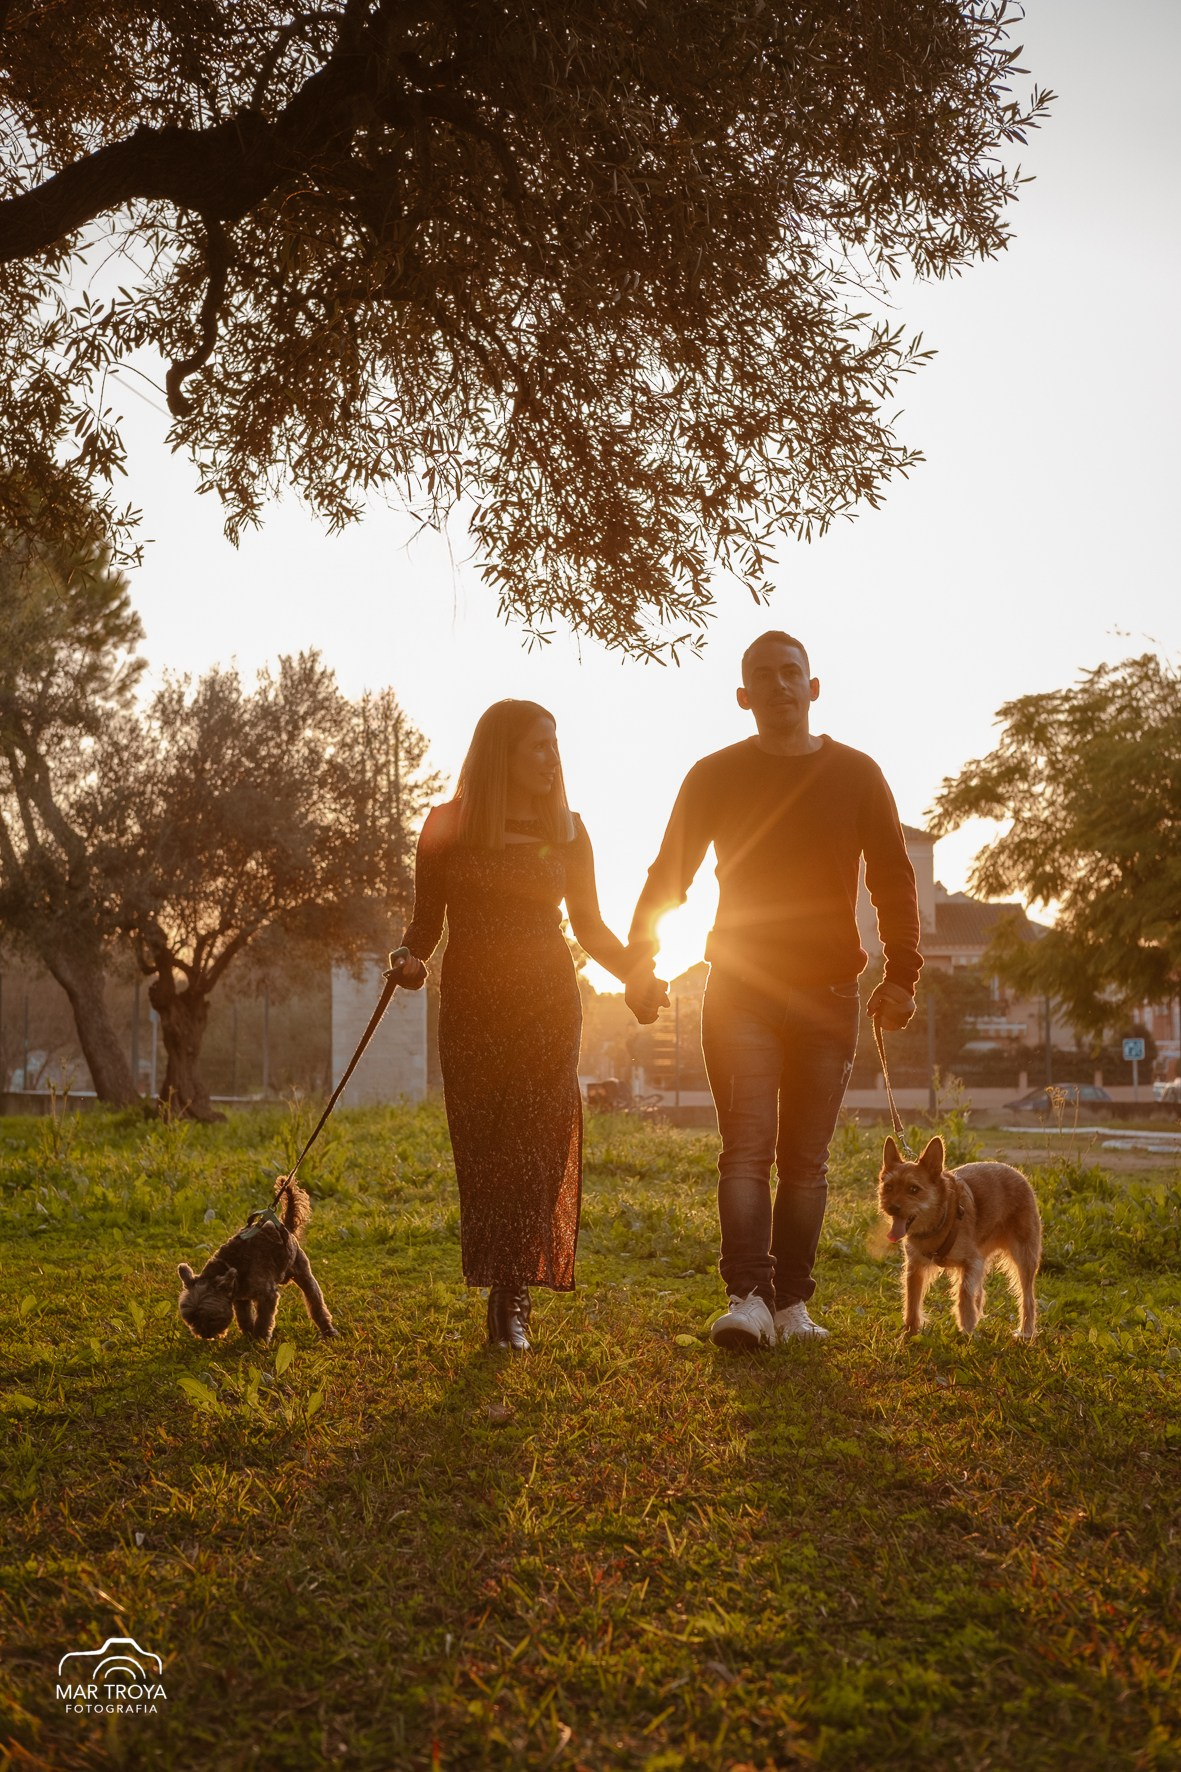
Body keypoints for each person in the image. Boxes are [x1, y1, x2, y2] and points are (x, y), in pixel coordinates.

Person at [626, 632, 921, 1350]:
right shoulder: (712, 776)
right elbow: (669, 874)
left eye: (793, 672)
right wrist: (641, 960)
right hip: (742, 992)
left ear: (812, 688)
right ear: (743, 696)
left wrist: (902, 973)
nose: (780, 684)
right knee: (745, 1151)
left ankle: (791, 1305)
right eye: (764, 675)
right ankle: (748, 1300)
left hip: (827, 994)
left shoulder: (857, 774)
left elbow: (891, 878)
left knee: (806, 1163)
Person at [389, 700, 666, 1351]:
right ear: (500, 755)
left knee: (539, 1145)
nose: (551, 758)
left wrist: (636, 974)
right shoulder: (445, 825)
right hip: (474, 1006)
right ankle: (500, 1279)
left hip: (546, 1003)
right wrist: (408, 960)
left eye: (555, 745)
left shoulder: (567, 830)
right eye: (537, 746)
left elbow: (593, 928)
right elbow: (425, 924)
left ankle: (510, 1297)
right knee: (486, 1148)